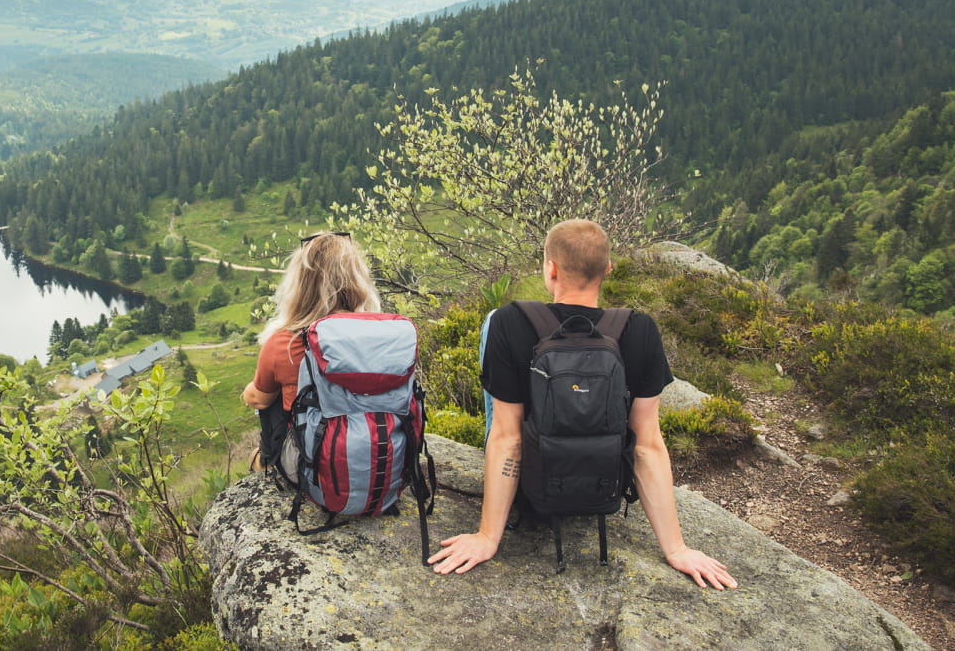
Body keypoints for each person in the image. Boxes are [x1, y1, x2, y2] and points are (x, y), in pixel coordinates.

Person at [428, 219, 737, 589]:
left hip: (533, 489)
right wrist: (677, 548)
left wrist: (486, 537)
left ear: (551, 268)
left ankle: (506, 503)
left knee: (493, 322)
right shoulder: (640, 330)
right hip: (603, 486)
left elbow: (507, 438)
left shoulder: (510, 323)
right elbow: (648, 444)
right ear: (607, 269)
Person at [241, 231, 382, 463]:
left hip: (315, 467)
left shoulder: (284, 344)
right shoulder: (381, 335)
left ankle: (267, 461)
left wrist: (248, 392)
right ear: (358, 280)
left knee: (269, 404)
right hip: (380, 455)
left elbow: (258, 399)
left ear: (300, 285)